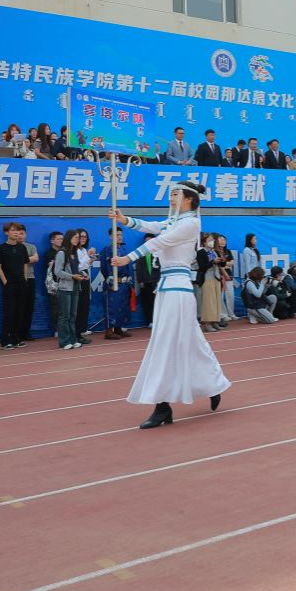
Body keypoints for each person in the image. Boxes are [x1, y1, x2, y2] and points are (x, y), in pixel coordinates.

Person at [110, 182, 231, 429]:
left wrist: (127, 258)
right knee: (189, 342)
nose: (171, 198)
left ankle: (162, 405)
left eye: (176, 194)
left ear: (189, 199)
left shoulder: (191, 223)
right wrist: (124, 220)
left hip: (179, 289)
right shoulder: (174, 221)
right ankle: (212, 384)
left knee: (167, 343)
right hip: (167, 288)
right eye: (171, 194)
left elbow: (159, 242)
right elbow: (152, 227)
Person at [0, 222, 32, 350]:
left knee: (20, 312)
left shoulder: (22, 248)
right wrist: (5, 282)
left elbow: (25, 263)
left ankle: (17, 339)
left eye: (18, 231)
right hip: (9, 285)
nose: (16, 233)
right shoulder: (1, 248)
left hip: (21, 283)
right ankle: (6, 341)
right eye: (13, 230)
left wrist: (25, 279)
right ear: (6, 232)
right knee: (9, 312)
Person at [50, 230, 87, 349]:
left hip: (75, 287)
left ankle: (73, 339)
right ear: (69, 238)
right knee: (64, 316)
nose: (77, 240)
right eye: (75, 237)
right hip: (65, 288)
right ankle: (64, 341)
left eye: (78, 238)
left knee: (73, 315)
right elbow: (57, 272)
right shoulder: (61, 253)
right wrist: (72, 277)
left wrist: (82, 274)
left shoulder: (74, 253)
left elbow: (75, 269)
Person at [101, 226, 133, 339]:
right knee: (111, 306)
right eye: (117, 235)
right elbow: (104, 268)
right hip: (114, 283)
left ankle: (118, 328)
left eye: (120, 235)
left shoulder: (123, 249)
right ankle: (109, 331)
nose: (119, 237)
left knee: (122, 306)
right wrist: (111, 279)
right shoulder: (108, 249)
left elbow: (128, 266)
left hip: (124, 283)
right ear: (111, 236)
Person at [197, 233, 223, 332]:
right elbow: (202, 266)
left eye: (213, 240)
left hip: (216, 277)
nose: (212, 242)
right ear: (204, 242)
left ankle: (215, 321)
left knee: (216, 301)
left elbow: (222, 264)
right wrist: (213, 262)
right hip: (207, 278)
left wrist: (221, 260)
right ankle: (207, 323)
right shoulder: (201, 252)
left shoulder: (214, 251)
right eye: (210, 240)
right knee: (209, 302)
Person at [74, 228, 94, 342]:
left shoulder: (84, 250)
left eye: (85, 237)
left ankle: (81, 330)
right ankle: (77, 333)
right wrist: (88, 256)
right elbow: (78, 266)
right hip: (78, 280)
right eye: (80, 237)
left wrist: (90, 259)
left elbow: (86, 265)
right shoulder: (74, 250)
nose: (83, 239)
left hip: (86, 279)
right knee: (79, 307)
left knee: (84, 306)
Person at [213, 234, 235, 325]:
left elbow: (232, 263)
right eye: (221, 240)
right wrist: (226, 265)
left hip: (229, 276)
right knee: (220, 297)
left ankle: (231, 314)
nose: (223, 242)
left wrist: (225, 264)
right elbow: (220, 265)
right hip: (220, 276)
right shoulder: (215, 251)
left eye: (224, 240)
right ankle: (223, 314)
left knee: (230, 295)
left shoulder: (228, 251)